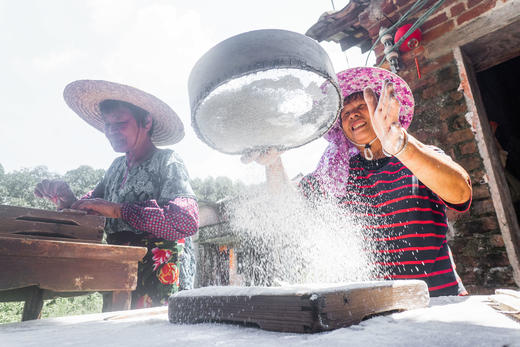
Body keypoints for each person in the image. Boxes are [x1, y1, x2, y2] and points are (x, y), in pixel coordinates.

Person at [244, 67, 472, 296]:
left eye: (362, 105)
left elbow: (462, 193)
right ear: (341, 130)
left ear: (381, 111)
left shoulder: (419, 156)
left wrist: (400, 146)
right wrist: (273, 163)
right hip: (377, 313)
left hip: (439, 302)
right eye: (345, 113)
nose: (352, 114)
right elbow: (288, 209)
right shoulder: (336, 175)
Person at [34, 80, 199, 309]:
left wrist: (119, 210)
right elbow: (91, 208)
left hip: (159, 279)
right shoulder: (115, 168)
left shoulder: (167, 161)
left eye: (120, 123)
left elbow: (186, 220)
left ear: (147, 122)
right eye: (108, 125)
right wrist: (68, 200)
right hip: (118, 274)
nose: (112, 131)